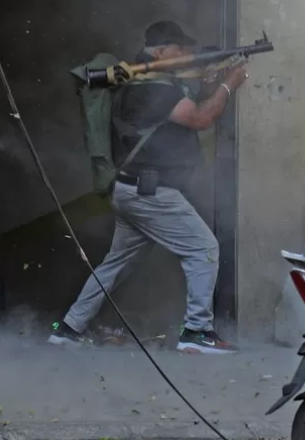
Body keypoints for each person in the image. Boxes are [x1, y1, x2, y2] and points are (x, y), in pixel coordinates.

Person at [48, 21, 249, 354]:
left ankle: (69, 329)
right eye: (180, 49)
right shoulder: (154, 87)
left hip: (132, 190)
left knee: (115, 264)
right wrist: (230, 84)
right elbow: (200, 119)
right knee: (203, 249)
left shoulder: (145, 82)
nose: (187, 55)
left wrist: (210, 83)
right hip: (150, 194)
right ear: (160, 51)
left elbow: (183, 117)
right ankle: (196, 332)